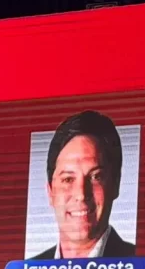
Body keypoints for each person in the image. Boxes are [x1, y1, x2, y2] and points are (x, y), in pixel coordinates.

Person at [32, 110, 136, 259]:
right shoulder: (28, 267)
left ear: (115, 184)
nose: (81, 194)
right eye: (68, 179)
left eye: (96, 177)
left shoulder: (140, 262)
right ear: (50, 192)